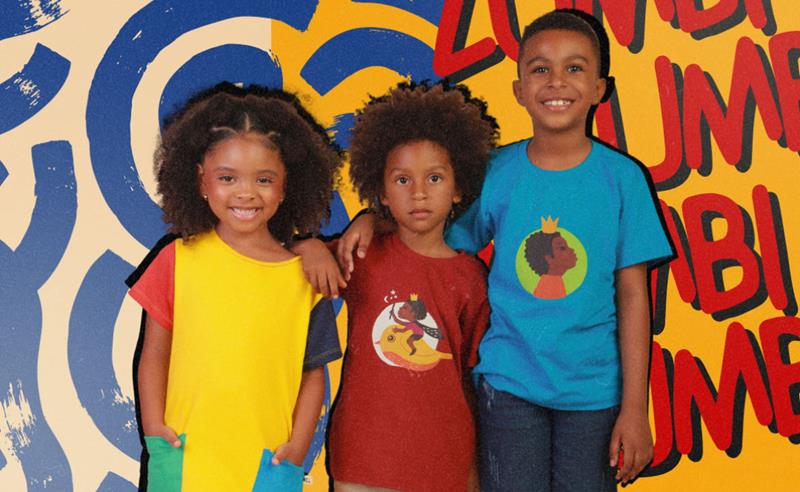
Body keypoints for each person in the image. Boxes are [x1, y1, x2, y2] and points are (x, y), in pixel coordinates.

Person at [335, 10, 674, 491]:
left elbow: (634, 295)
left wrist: (636, 409)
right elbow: (431, 228)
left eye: (574, 68)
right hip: (508, 387)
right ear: (518, 89)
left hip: (594, 393)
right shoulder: (497, 172)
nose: (557, 81)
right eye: (540, 68)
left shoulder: (623, 180)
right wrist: (372, 218)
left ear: (600, 88)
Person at [127, 83, 342, 491]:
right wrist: (154, 428)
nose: (246, 192)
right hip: (184, 456)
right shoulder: (177, 260)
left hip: (269, 464)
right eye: (228, 177)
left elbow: (313, 372)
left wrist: (298, 446)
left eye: (264, 179)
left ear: (285, 185)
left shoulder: (305, 278)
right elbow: (154, 353)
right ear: (201, 181)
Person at [298, 81, 497, 491]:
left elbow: (470, 379)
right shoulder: (362, 253)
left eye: (435, 178)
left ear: (459, 188)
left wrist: (471, 469)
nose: (419, 193)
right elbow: (281, 263)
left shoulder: (471, 277)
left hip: (444, 466)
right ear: (382, 192)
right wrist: (309, 245)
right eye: (402, 180)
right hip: (362, 461)